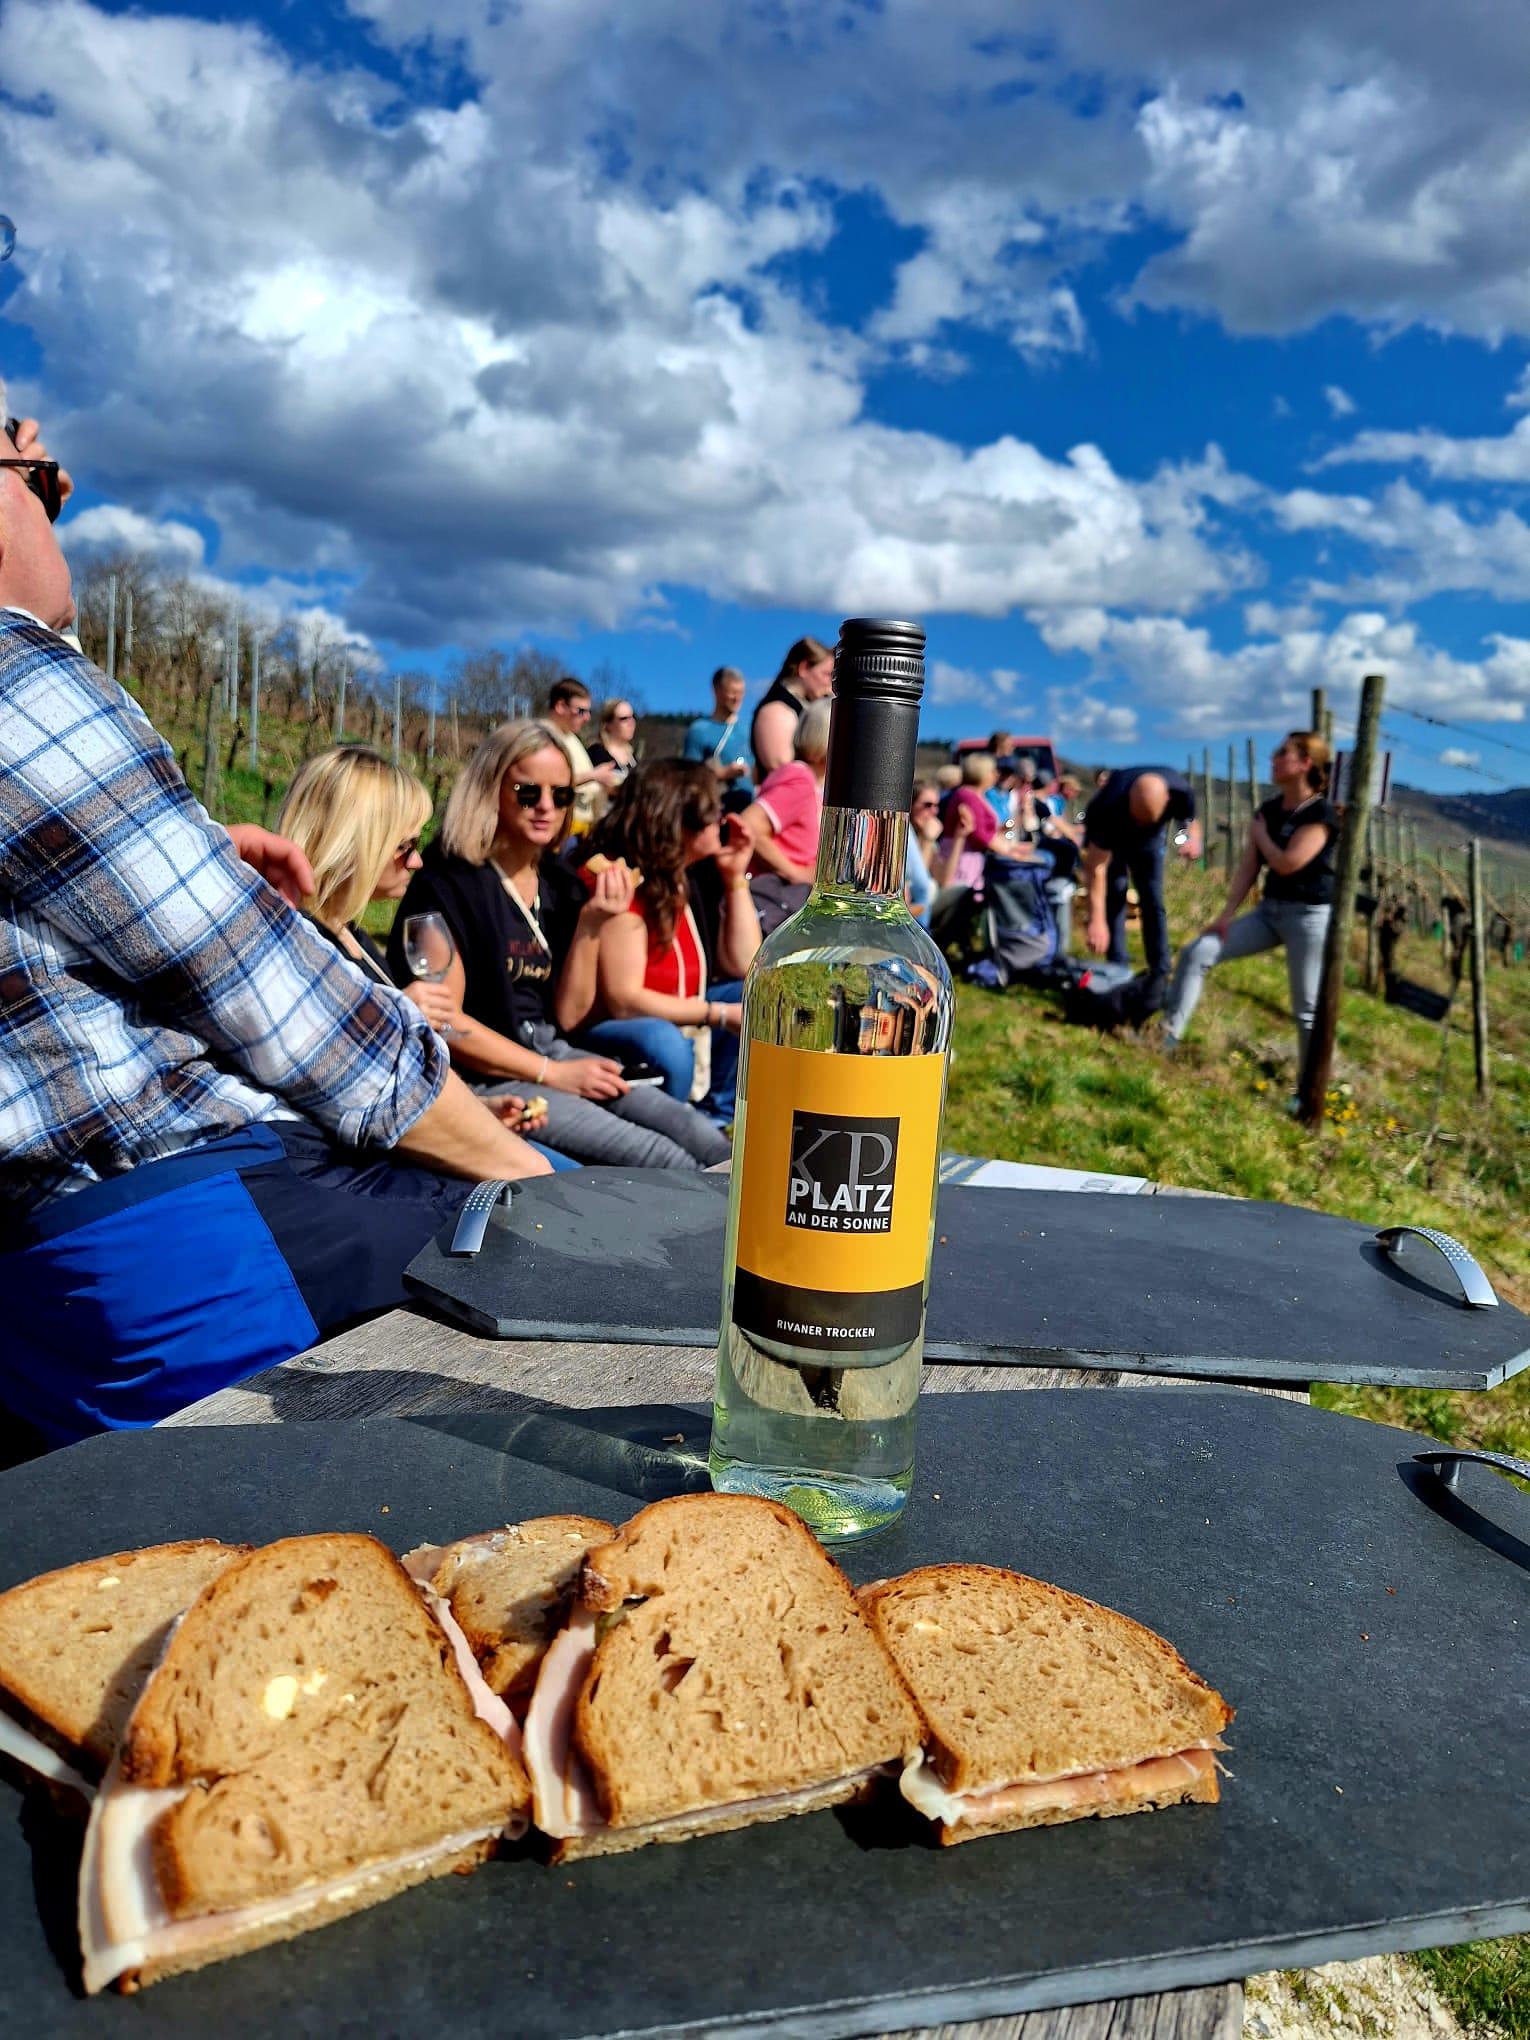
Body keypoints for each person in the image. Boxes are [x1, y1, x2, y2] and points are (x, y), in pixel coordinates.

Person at [0, 411, 549, 1447]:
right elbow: (271, 993)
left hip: (45, 1290)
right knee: (573, 1302)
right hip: (186, 1249)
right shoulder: (15, 675)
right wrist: (535, 1185)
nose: (50, 509)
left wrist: (188, 854)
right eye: (42, 479)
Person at [387, 720, 729, 1167]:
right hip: (485, 1078)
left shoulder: (559, 882)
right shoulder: (447, 881)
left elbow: (569, 1014)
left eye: (561, 795)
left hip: (553, 1052)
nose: (545, 807)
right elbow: (446, 1025)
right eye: (528, 793)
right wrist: (554, 1073)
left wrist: (591, 923)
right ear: (491, 789)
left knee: (702, 1138)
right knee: (662, 1158)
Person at [275, 745, 572, 1169]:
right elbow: (347, 1091)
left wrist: (482, 1108)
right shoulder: (311, 947)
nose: (416, 861)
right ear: (359, 840)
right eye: (404, 845)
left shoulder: (349, 934)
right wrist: (397, 1018)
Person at [578, 762, 762, 1114]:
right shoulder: (622, 877)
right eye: (713, 812)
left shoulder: (693, 871)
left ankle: (717, 1115)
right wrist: (717, 1013)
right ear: (679, 823)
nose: (722, 819)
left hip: (682, 1009)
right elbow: (625, 999)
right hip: (622, 1030)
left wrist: (735, 877)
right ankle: (683, 1123)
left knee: (752, 994)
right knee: (664, 1043)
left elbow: (745, 963)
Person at [1161, 733, 1337, 1063]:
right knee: (1197, 953)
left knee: (1307, 1008)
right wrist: (1226, 915)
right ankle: (1167, 1036)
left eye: (1282, 753)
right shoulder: (1269, 809)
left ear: (1305, 763)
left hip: (1309, 918)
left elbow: (1287, 863)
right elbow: (1249, 867)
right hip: (1269, 912)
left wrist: (1259, 835)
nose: (1273, 758)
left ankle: (1310, 1092)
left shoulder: (1320, 814)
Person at [1080, 766, 1202, 983]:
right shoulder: (1104, 805)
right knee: (1115, 894)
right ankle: (1117, 968)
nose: (1141, 824)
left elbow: (1190, 821)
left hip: (1150, 844)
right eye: (1139, 818)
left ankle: (1160, 970)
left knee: (1153, 900)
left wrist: (1192, 840)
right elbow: (1095, 868)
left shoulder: (1180, 791)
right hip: (1114, 841)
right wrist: (1096, 921)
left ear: (1166, 800)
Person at [738, 698, 830, 935]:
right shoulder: (800, 779)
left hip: (789, 903)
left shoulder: (814, 785)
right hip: (776, 901)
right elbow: (748, 826)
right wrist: (795, 872)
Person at [750, 634, 834, 780]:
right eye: (826, 674)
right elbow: (782, 770)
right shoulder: (776, 712)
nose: (830, 683)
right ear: (804, 668)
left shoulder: (801, 706)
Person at [545, 676, 614, 833]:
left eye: (588, 711)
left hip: (581, 827)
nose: (587, 717)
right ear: (561, 706)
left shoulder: (571, 737)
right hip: (561, 826)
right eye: (581, 711)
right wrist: (594, 775)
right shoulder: (545, 738)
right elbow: (549, 783)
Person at [682, 666, 754, 806]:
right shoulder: (699, 730)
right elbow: (689, 777)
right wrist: (723, 773)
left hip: (748, 809)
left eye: (741, 692)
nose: (737, 698)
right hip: (714, 809)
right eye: (732, 692)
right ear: (716, 691)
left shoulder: (750, 731)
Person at [904, 781, 942, 920]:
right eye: (927, 805)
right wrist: (927, 841)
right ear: (911, 805)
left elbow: (944, 880)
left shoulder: (927, 832)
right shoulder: (905, 832)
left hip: (927, 906)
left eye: (936, 805)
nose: (934, 811)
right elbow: (920, 884)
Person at [586, 698, 639, 790]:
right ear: (607, 724)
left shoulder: (633, 758)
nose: (631, 722)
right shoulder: (596, 753)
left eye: (633, 716)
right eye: (624, 718)